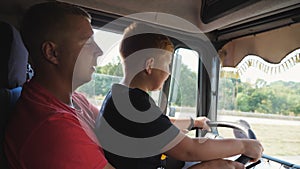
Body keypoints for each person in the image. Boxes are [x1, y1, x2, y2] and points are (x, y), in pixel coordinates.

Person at [95, 22, 264, 169]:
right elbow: (189, 150)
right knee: (224, 166)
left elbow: (161, 123)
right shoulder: (136, 103)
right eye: (168, 64)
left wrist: (195, 122)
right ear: (149, 65)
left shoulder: (119, 96)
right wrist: (244, 145)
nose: (169, 72)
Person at [3, 2, 115, 169]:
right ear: (52, 53)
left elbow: (114, 134)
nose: (99, 51)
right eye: (88, 42)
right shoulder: (54, 129)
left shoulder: (74, 99)